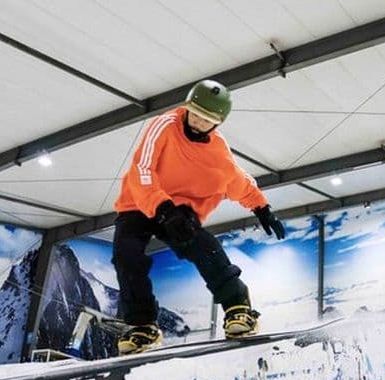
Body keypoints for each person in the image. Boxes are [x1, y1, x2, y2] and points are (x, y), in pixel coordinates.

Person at [112, 79, 285, 354]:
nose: (198, 123)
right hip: (137, 202)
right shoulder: (164, 126)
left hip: (179, 210)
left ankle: (238, 307)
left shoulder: (217, 151)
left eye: (207, 121)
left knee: (202, 246)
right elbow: (141, 169)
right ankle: (142, 325)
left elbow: (236, 180)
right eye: (195, 115)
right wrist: (162, 208)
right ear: (187, 107)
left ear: (217, 123)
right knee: (126, 253)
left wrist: (261, 207)